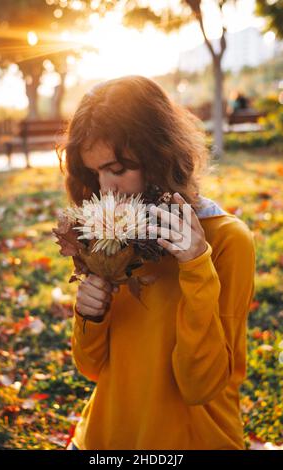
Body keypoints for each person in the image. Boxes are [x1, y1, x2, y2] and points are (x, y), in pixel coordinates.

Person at [57, 75, 256, 450]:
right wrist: (90, 317)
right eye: (95, 172)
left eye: (118, 169)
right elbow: (93, 368)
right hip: (105, 438)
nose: (106, 189)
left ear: (160, 155)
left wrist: (197, 266)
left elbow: (202, 385)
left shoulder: (228, 241)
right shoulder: (109, 230)